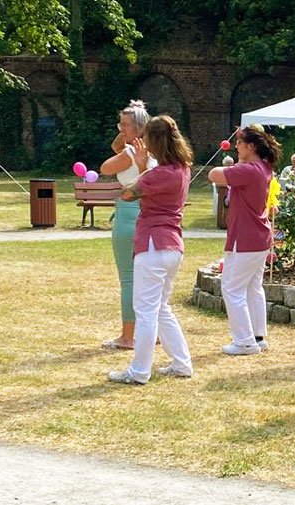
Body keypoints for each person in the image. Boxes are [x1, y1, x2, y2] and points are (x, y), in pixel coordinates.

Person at [108, 115, 194, 385]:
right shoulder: (183, 169)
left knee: (145, 311)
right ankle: (182, 363)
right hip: (173, 246)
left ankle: (139, 371)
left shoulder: (158, 174)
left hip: (152, 246)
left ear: (154, 141)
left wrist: (142, 164)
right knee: (160, 308)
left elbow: (127, 193)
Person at [208, 124, 281, 355]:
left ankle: (244, 341)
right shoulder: (264, 167)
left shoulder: (250, 170)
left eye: (240, 142)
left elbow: (214, 175)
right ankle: (258, 336)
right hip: (258, 236)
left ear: (250, 146)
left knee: (232, 288)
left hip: (246, 237)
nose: (236, 145)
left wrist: (237, 163)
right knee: (252, 287)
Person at [99, 100, 155, 350]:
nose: (120, 128)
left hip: (129, 213)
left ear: (139, 128)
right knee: (152, 280)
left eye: (124, 125)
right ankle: (155, 332)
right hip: (151, 215)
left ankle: (127, 336)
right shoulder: (157, 151)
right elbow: (115, 145)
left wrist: (126, 141)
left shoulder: (131, 154)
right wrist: (125, 133)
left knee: (129, 279)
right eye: (119, 123)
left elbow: (105, 167)